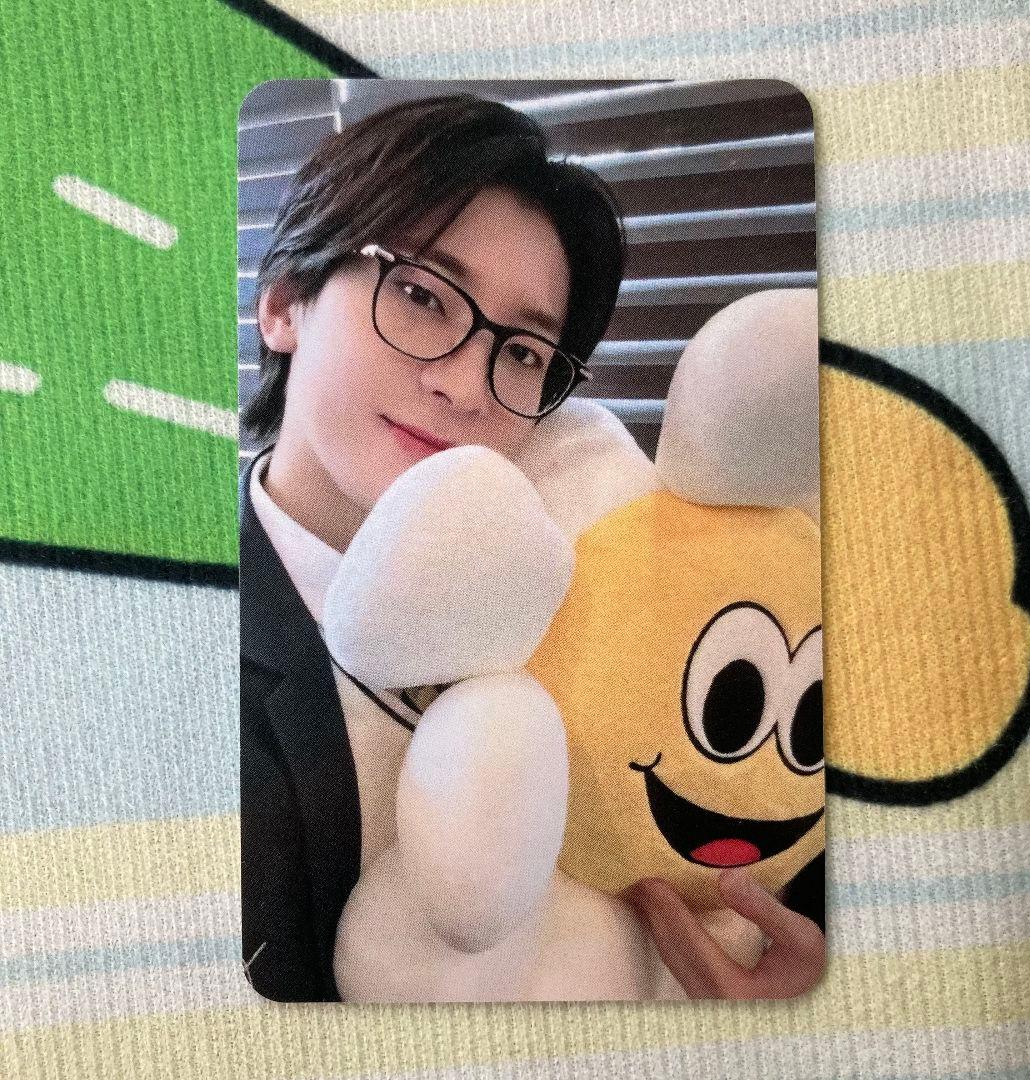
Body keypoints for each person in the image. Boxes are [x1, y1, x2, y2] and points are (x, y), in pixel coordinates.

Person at [239, 91, 826, 1002]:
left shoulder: (596, 571)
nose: (469, 385)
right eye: (422, 296)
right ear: (284, 303)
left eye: (521, 353)